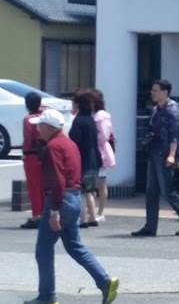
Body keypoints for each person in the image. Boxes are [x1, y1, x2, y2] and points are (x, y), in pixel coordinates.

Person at [24, 108, 118, 304]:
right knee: (75, 246)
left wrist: (55, 211)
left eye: (40, 126)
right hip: (74, 198)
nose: (38, 130)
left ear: (48, 127)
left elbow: (58, 181)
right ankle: (105, 281)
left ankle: (47, 296)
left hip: (61, 199)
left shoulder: (53, 147)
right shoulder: (69, 144)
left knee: (43, 250)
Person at [132, 79, 179, 237]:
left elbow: (176, 134)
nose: (152, 93)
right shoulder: (156, 109)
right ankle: (150, 226)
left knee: (167, 190)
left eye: (156, 90)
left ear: (165, 92)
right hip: (154, 151)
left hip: (165, 152)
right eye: (152, 90)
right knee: (151, 191)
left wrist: (172, 155)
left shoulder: (172, 109)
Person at [69, 89, 101, 228]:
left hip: (82, 159)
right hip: (94, 158)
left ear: (78, 104)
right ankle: (93, 216)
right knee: (90, 190)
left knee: (81, 191)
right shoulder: (91, 120)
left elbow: (75, 140)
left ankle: (83, 219)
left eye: (73, 102)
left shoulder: (79, 121)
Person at [20, 92, 44, 229]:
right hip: (43, 155)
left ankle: (36, 216)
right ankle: (43, 214)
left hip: (31, 156)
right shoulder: (42, 116)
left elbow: (27, 138)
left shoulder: (28, 119)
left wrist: (24, 152)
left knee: (33, 187)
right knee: (43, 187)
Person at [91, 88, 115, 222]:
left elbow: (104, 135)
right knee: (97, 183)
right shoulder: (99, 114)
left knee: (100, 182)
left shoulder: (101, 116)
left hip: (100, 152)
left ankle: (99, 212)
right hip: (99, 151)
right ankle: (94, 211)